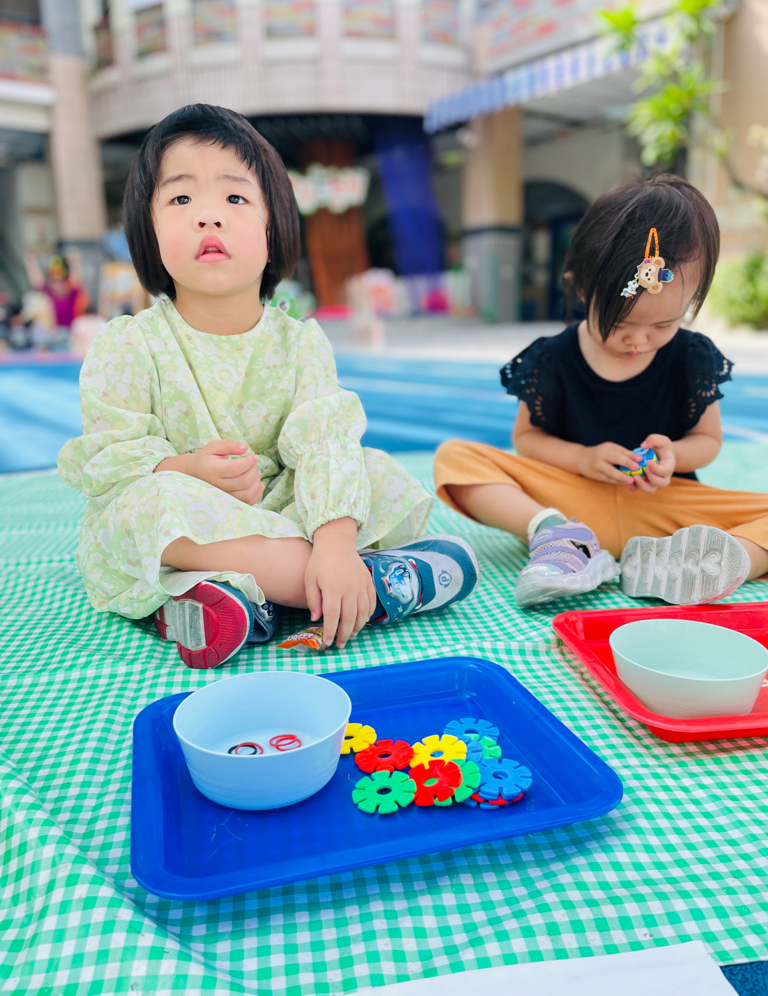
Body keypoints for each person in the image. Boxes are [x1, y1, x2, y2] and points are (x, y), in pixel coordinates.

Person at [58, 104, 478, 668]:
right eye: (181, 200)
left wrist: (333, 541)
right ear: (147, 232)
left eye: (235, 198)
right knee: (150, 507)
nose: (209, 217)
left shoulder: (300, 343)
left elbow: (325, 442)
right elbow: (112, 461)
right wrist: (187, 469)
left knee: (371, 469)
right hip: (186, 515)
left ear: (273, 231)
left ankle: (230, 598)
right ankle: (370, 586)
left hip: (279, 511)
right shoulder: (129, 344)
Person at [434, 173, 768, 609]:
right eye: (621, 324)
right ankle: (557, 535)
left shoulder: (691, 356)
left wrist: (673, 455)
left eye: (664, 324)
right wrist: (582, 459)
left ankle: (715, 563)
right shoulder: (552, 357)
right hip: (570, 501)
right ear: (581, 288)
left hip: (663, 507)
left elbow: (708, 441)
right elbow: (527, 438)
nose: (640, 340)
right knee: (454, 457)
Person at [24, 249, 89, 339]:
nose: (57, 285)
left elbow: (78, 280)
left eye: (60, 281)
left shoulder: (72, 293)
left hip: (72, 334)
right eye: (53, 282)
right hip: (54, 335)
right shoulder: (48, 292)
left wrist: (75, 263)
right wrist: (31, 263)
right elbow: (37, 281)